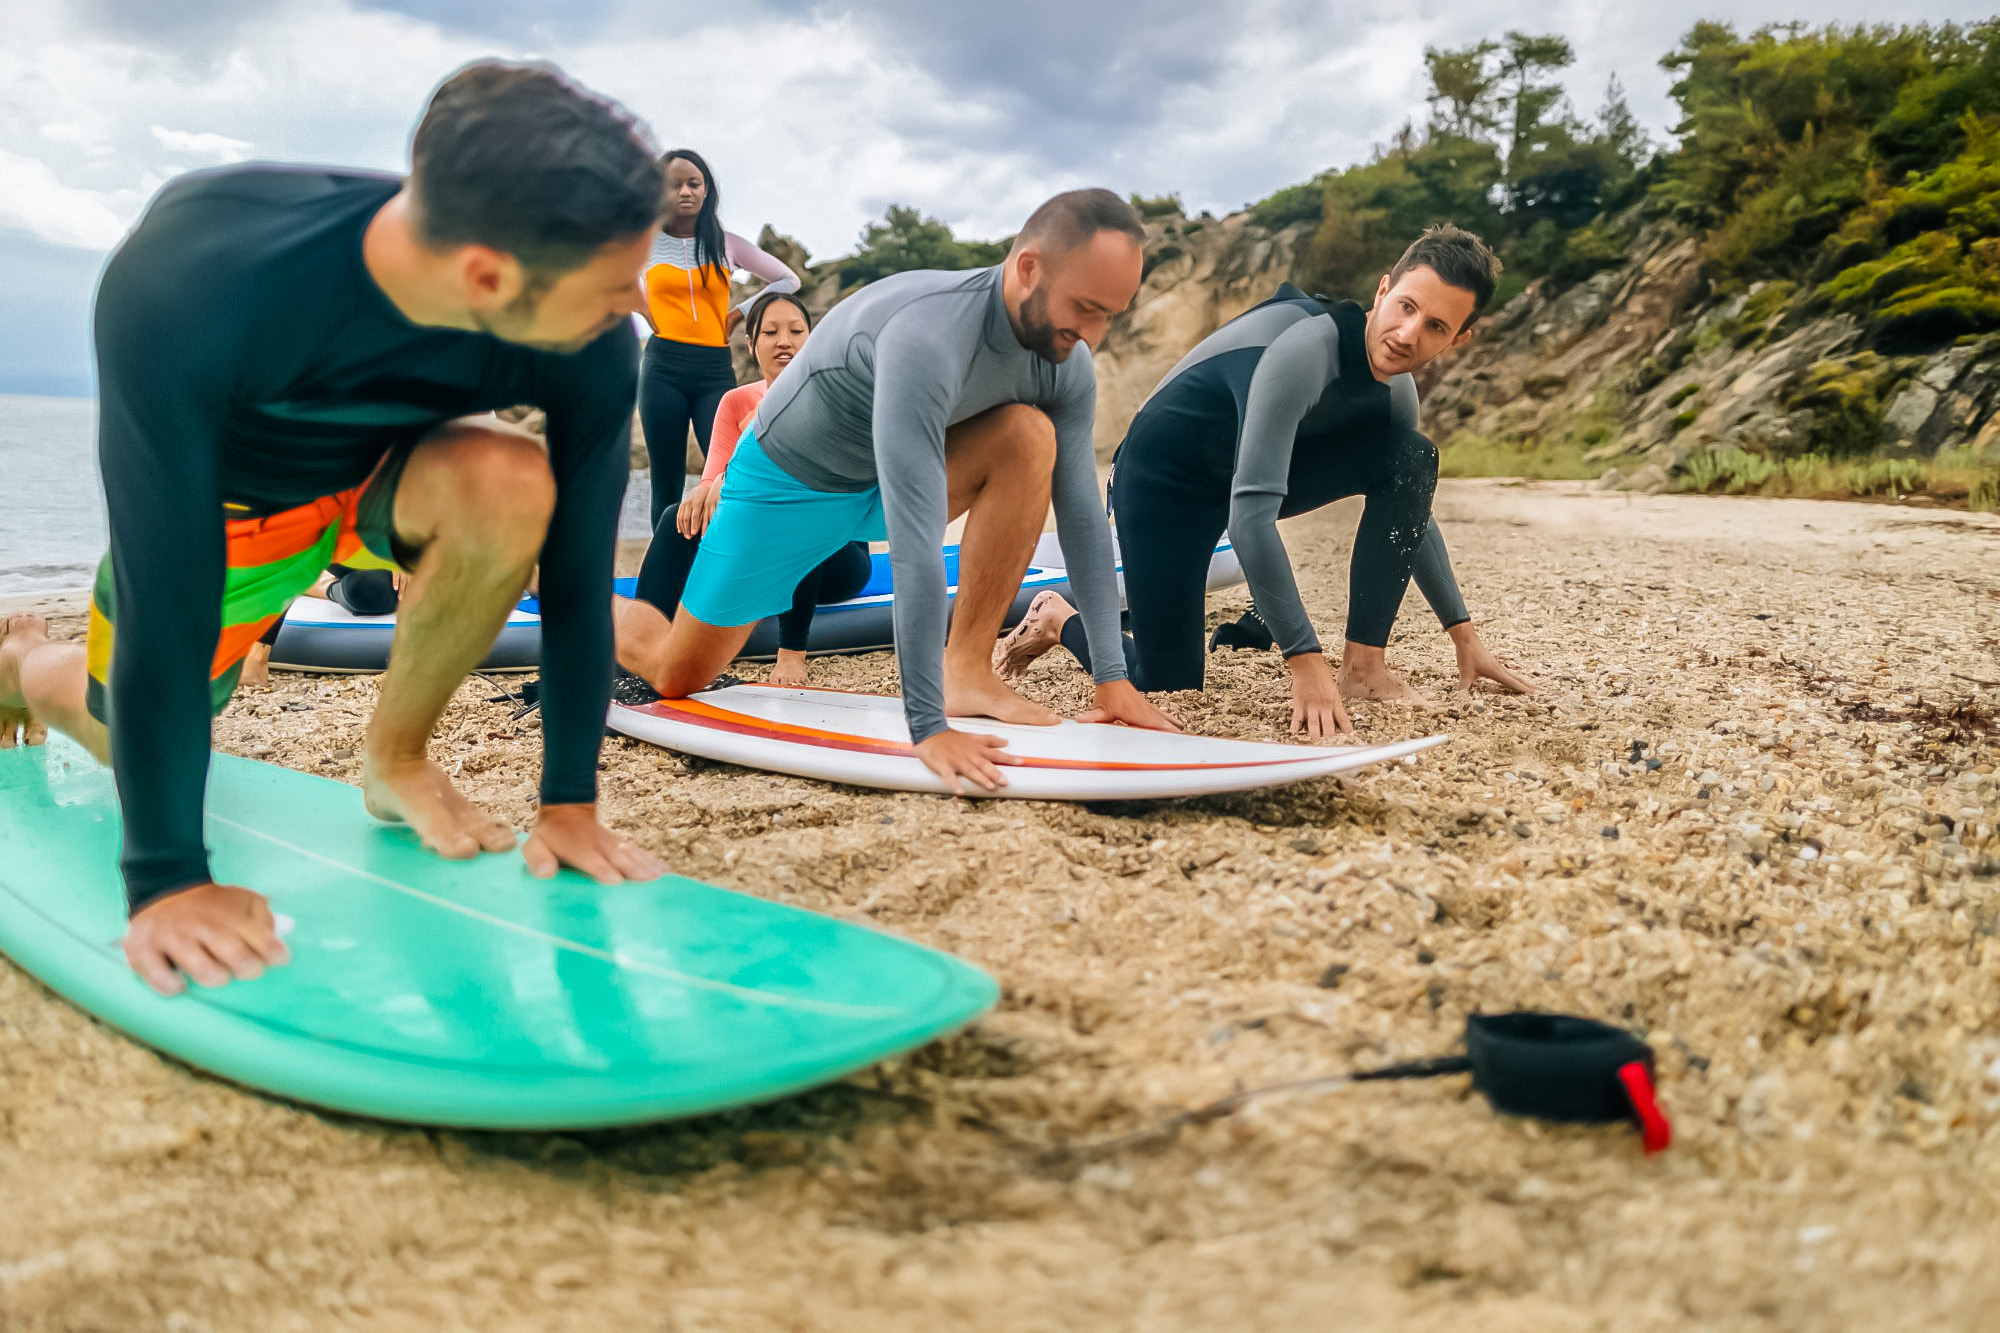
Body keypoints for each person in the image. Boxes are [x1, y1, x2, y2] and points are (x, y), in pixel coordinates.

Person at [0, 60, 666, 997]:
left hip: (384, 484)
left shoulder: (589, 336)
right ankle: (22, 664)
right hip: (230, 523)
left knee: (510, 481)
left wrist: (568, 804)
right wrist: (168, 880)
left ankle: (394, 758)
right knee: (128, 732)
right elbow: (168, 592)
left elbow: (575, 576)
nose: (636, 302)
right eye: (618, 282)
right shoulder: (196, 280)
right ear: (486, 274)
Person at [614, 189, 1178, 794]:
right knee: (676, 674)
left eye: (1109, 314)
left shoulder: (1066, 361)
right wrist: (927, 726)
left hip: (878, 482)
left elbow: (1083, 515)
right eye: (1085, 306)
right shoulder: (927, 333)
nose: (1093, 332)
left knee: (1027, 436)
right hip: (785, 486)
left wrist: (1113, 679)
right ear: (1029, 269)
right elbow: (914, 544)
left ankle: (967, 668)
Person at [990, 225, 1534, 737]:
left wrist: (1463, 634)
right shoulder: (1303, 350)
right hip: (1165, 485)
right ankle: (1057, 617)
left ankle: (1365, 667)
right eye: (1406, 307)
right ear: (1384, 289)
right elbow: (1248, 517)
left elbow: (1410, 510)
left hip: (1245, 474)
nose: (1408, 333)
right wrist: (1304, 660)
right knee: (1169, 685)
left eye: (1436, 326)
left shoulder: (1395, 392)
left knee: (1410, 457)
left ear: (1459, 338)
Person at [623, 289, 869, 688]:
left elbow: (822, 494)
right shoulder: (736, 401)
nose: (784, 341)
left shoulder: (832, 399)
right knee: (675, 517)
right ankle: (642, 646)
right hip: (766, 549)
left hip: (837, 556)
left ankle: (791, 654)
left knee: (792, 512)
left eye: (796, 330)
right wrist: (712, 485)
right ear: (752, 345)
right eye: (770, 332)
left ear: (812, 340)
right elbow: (711, 484)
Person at [638, 149, 801, 529]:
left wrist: (737, 314)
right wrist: (645, 311)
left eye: (694, 184)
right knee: (667, 479)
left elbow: (788, 280)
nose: (685, 192)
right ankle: (668, 566)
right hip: (663, 367)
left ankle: (726, 552)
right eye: (674, 184)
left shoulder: (727, 244)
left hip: (713, 369)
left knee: (730, 469)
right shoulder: (642, 243)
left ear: (707, 191)